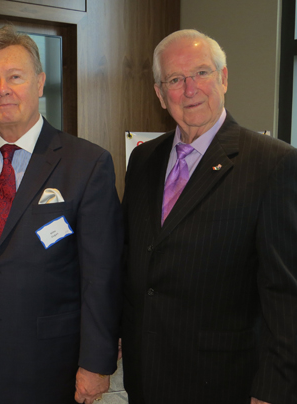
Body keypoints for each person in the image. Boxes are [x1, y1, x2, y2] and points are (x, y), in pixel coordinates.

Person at [0, 25, 123, 404]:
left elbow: (102, 275)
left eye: (15, 77)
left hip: (52, 367)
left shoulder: (87, 163)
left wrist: (96, 365)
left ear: (40, 83)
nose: (3, 89)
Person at [121, 29, 297, 404]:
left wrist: (273, 390)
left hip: (224, 383)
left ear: (224, 78)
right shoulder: (142, 160)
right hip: (145, 376)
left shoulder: (272, 164)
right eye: (175, 79)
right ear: (159, 92)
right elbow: (132, 259)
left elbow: (285, 295)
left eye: (201, 73)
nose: (190, 89)